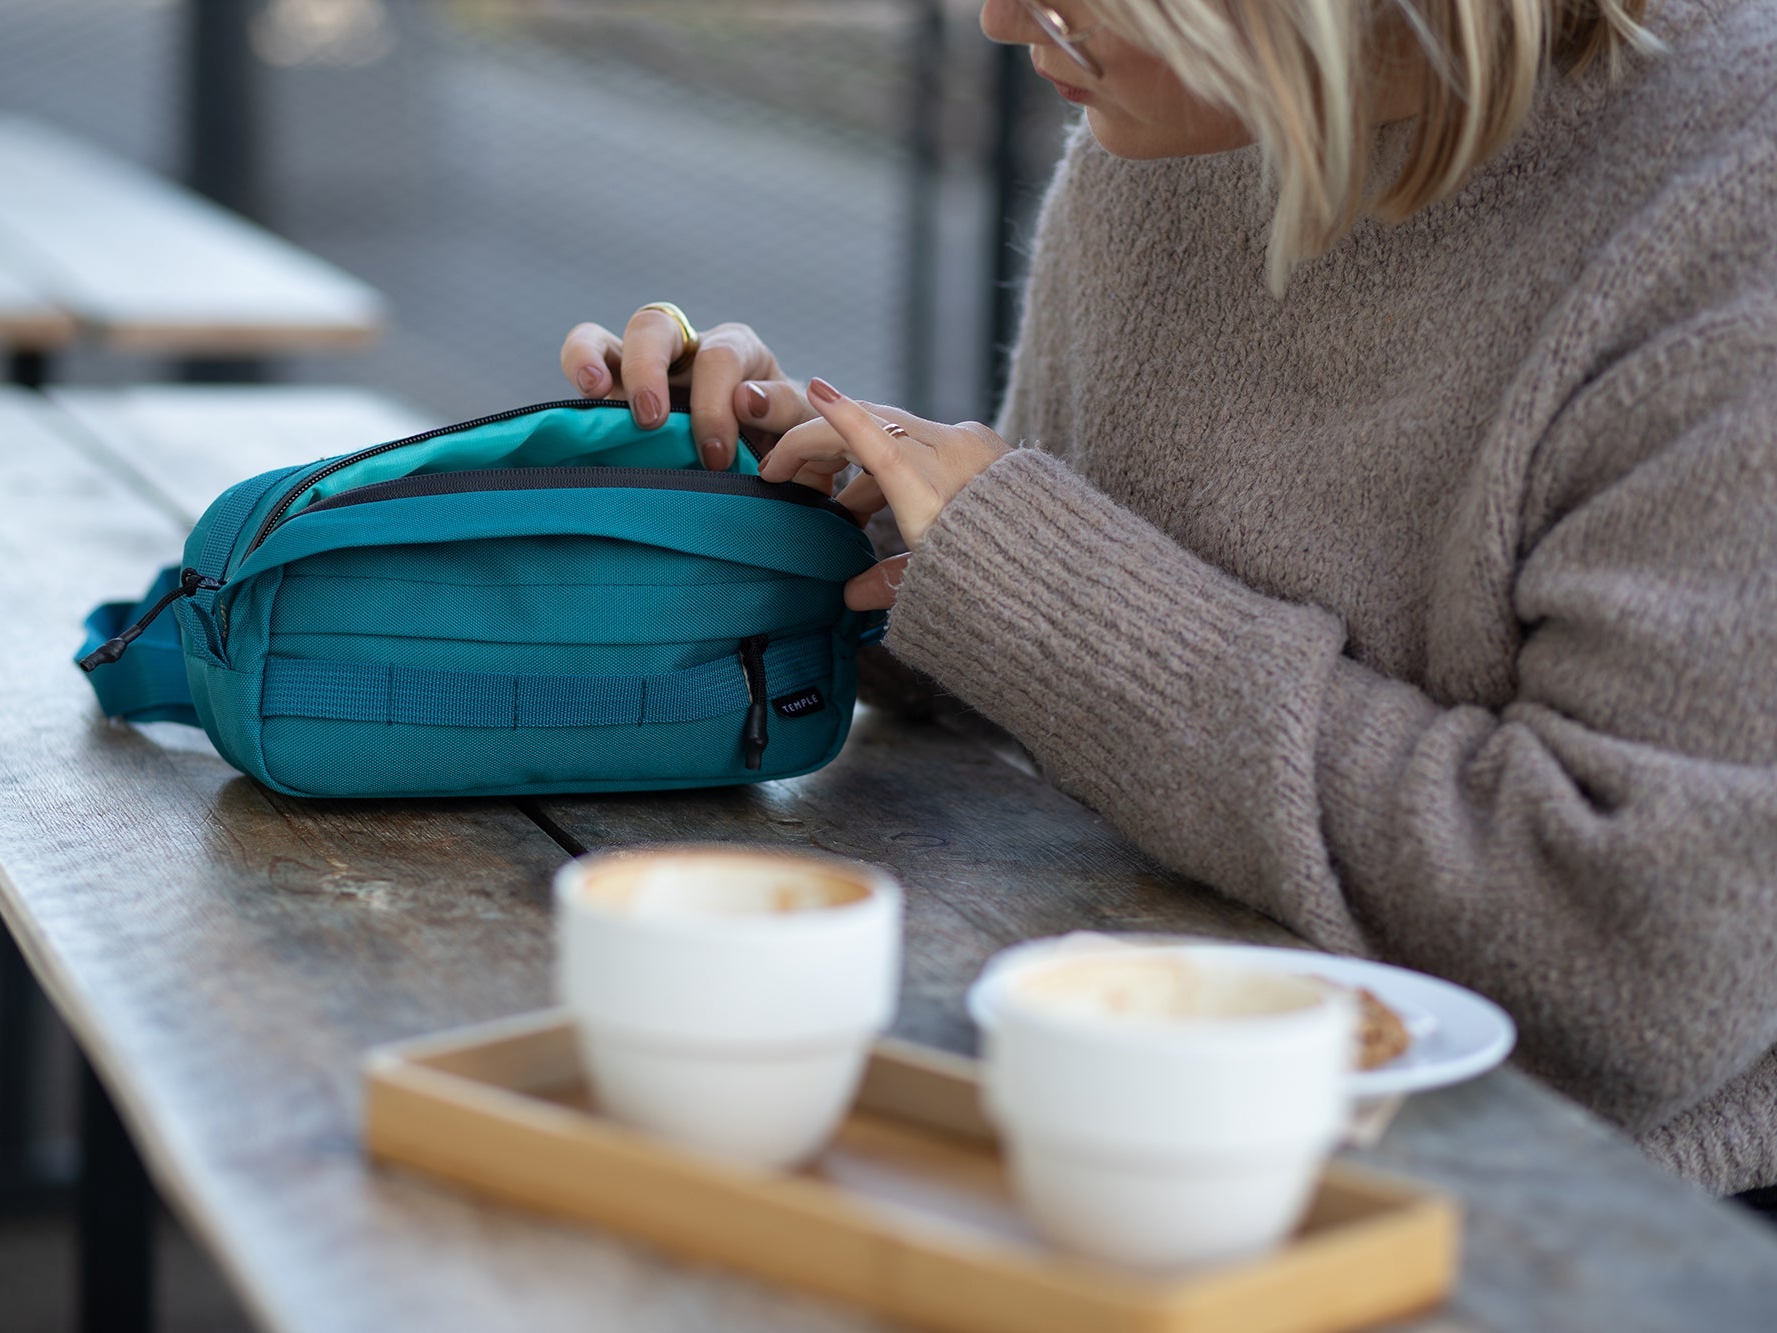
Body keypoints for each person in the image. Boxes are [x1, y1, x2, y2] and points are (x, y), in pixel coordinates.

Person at [559, 0, 1777, 1196]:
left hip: (1598, 1217)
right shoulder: (1164, 128)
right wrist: (805, 507)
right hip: (1133, 1084)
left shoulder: (1734, 194)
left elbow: (1630, 973)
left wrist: (1035, 583)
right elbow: (1066, 673)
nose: (997, 25)